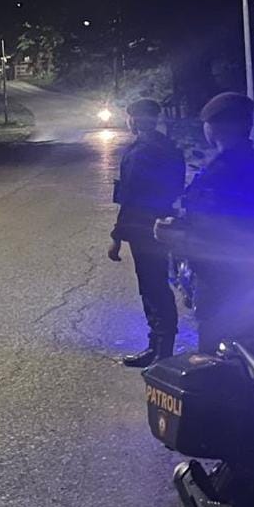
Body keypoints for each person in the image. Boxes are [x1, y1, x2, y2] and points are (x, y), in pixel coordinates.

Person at [158, 93, 254, 353]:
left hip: (218, 282)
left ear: (214, 128)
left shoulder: (217, 175)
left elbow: (211, 230)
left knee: (214, 357)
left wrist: (174, 234)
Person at [108, 99, 185, 367]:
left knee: (153, 287)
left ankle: (162, 350)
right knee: (156, 284)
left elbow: (130, 197)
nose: (128, 122)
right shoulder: (168, 147)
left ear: (137, 120)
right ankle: (158, 346)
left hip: (143, 228)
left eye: (130, 117)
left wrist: (116, 237)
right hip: (162, 224)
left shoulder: (142, 152)